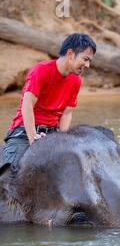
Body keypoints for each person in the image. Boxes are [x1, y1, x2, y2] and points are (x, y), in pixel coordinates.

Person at [1, 33, 96, 169]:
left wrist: (63, 140)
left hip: (52, 133)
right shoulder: (41, 70)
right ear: (70, 54)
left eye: (90, 61)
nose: (87, 65)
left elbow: (67, 113)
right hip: (24, 132)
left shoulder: (76, 80)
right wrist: (33, 139)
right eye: (85, 59)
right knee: (12, 171)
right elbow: (27, 105)